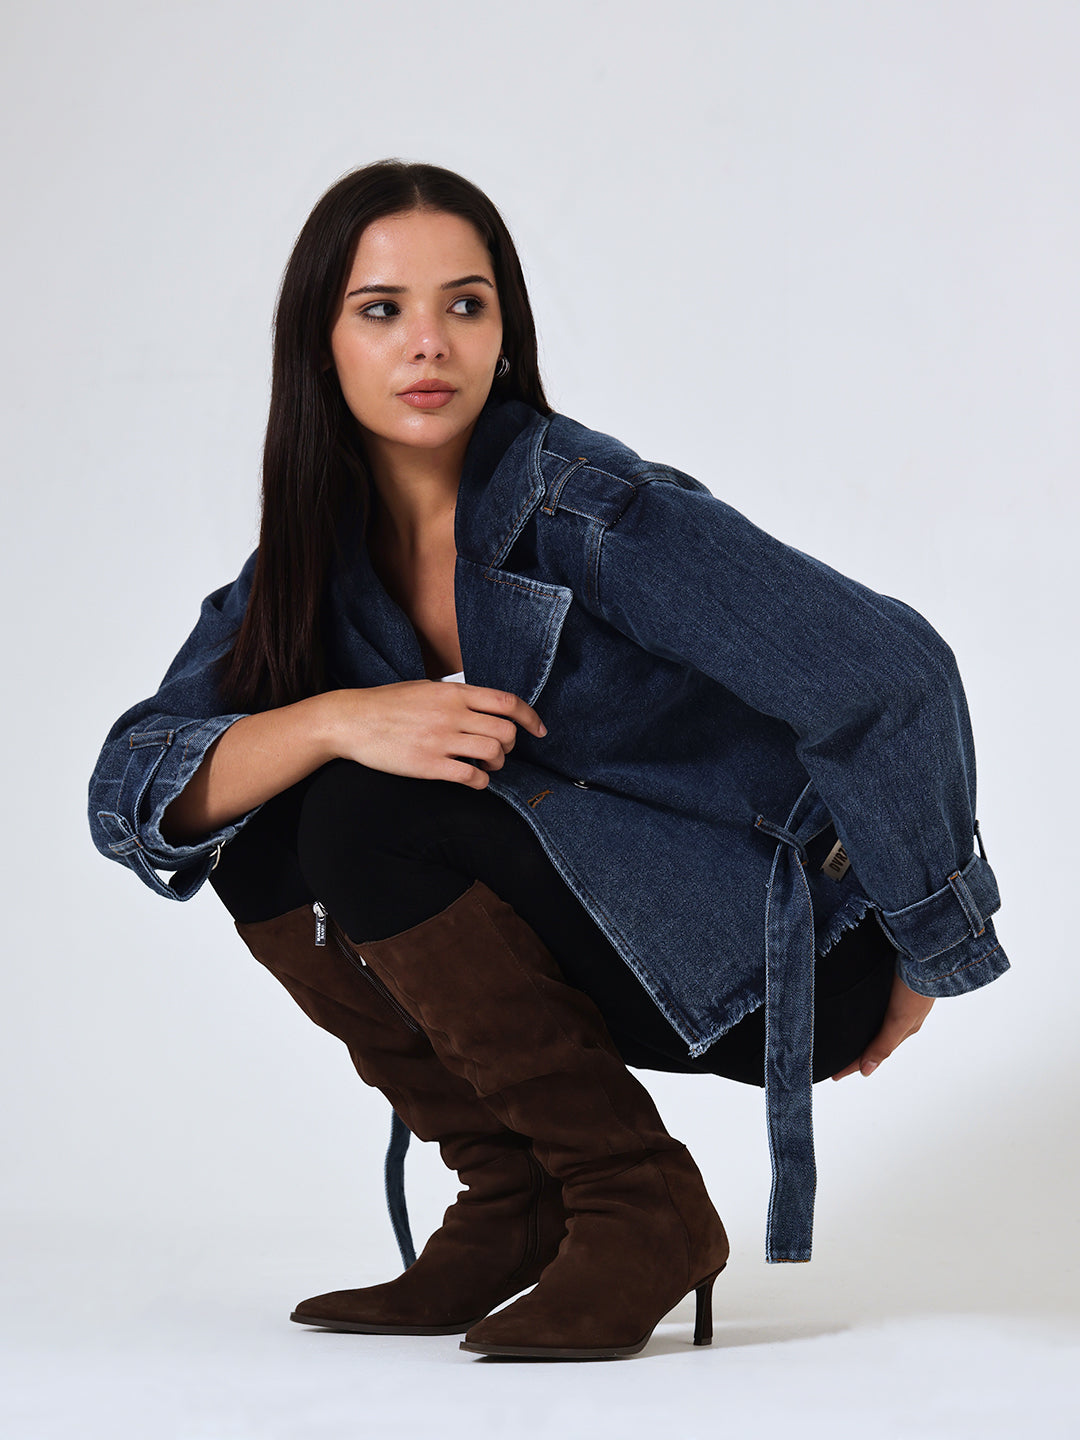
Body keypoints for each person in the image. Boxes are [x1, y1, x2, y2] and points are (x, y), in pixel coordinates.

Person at [87, 159, 1009, 1361]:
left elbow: (892, 676)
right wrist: (335, 718)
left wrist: (930, 950)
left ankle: (640, 1207)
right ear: (320, 347)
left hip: (790, 968)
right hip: (615, 947)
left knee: (368, 812)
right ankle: (518, 1198)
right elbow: (133, 789)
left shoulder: (587, 508)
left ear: (505, 334)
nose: (430, 342)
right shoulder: (310, 574)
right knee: (269, 803)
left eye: (465, 305)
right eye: (383, 310)